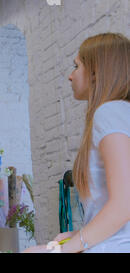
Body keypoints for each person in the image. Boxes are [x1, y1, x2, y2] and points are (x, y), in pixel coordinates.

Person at [23, 33, 129, 253]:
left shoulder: (109, 112)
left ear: (95, 72)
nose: (71, 76)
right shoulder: (121, 112)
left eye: (76, 66)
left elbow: (123, 205)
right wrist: (75, 235)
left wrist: (61, 251)